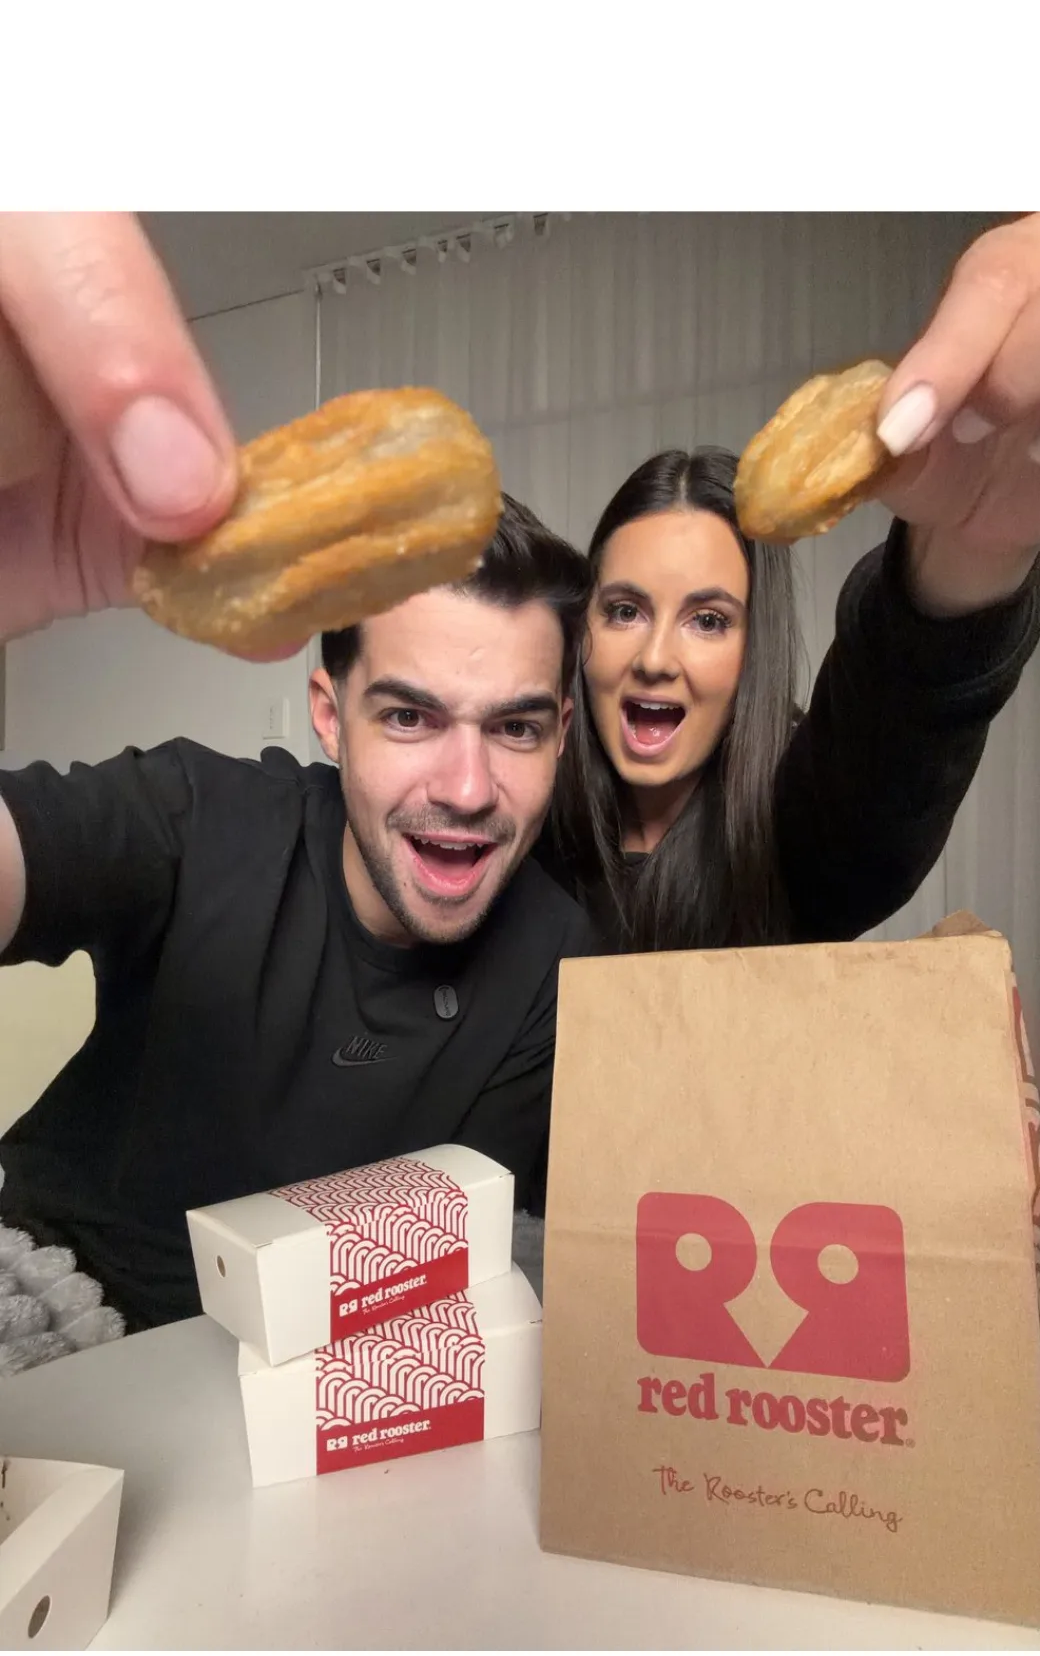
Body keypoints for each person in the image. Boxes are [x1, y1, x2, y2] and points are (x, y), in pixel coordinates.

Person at [0, 493, 594, 1330]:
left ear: (561, 734)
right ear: (330, 717)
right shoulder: (198, 818)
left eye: (516, 729)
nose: (467, 789)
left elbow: (449, 1269)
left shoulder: (557, 962)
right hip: (52, 1300)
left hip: (318, 1362)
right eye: (409, 717)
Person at [544, 213, 1040, 951]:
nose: (656, 657)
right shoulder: (517, 822)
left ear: (754, 646)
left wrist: (973, 546)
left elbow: (896, 722)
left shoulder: (801, 835)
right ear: (584, 632)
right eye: (626, 610)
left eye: (709, 620)